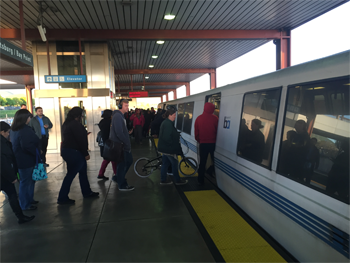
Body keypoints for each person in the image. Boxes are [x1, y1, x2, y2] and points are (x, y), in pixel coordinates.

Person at [57, 107, 99, 205]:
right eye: (81, 114)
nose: (83, 116)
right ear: (78, 115)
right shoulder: (75, 124)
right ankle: (62, 197)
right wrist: (85, 153)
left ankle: (87, 192)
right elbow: (80, 140)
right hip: (75, 152)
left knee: (82, 172)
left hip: (67, 151)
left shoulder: (67, 123)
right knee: (71, 174)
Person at [1, 121, 35, 224]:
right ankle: (20, 216)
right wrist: (12, 177)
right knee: (12, 195)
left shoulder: (5, 142)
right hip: (4, 176)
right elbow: (3, 163)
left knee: (12, 195)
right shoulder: (2, 144)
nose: (8, 134)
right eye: (7, 132)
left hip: (5, 175)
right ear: (2, 132)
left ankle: (20, 216)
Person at [10, 109, 40, 211]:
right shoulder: (24, 129)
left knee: (29, 181)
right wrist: (36, 153)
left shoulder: (14, 130)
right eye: (29, 117)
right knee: (26, 182)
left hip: (19, 159)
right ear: (24, 118)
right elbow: (27, 146)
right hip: (26, 160)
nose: (30, 119)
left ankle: (29, 199)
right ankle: (25, 204)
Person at [158, 106, 188, 186]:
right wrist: (174, 144)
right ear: (170, 115)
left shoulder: (166, 122)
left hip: (164, 149)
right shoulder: (168, 124)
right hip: (169, 149)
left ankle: (163, 180)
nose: (175, 116)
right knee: (174, 163)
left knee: (165, 164)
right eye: (174, 115)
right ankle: (178, 180)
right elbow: (167, 137)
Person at [111, 100, 134, 191]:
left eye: (127, 105)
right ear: (120, 106)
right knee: (123, 164)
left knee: (126, 162)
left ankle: (118, 178)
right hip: (121, 146)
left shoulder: (120, 116)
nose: (127, 107)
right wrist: (126, 142)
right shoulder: (117, 116)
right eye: (125, 105)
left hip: (122, 145)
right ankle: (122, 184)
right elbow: (119, 133)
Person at [194, 102, 219, 185]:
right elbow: (218, 132)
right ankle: (217, 178)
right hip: (213, 144)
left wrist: (200, 140)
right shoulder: (215, 118)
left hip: (203, 144)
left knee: (202, 162)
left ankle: (200, 180)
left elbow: (196, 133)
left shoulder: (198, 118)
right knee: (215, 161)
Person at [97, 109, 116, 180]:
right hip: (109, 143)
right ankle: (116, 174)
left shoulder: (102, 122)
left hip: (104, 144)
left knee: (107, 159)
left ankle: (101, 174)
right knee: (113, 159)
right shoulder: (109, 122)